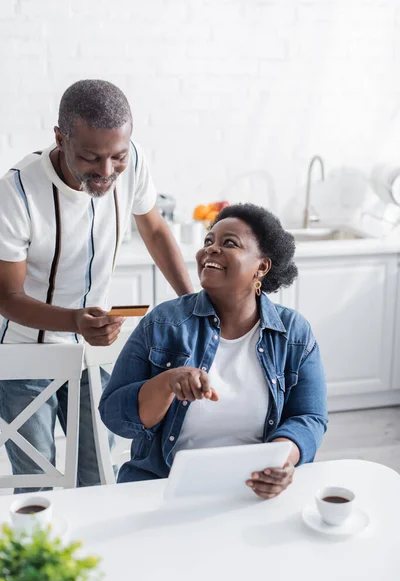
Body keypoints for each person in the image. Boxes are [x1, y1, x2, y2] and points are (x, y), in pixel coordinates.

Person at [0, 79, 193, 493]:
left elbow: (155, 229)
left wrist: (190, 299)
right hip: (24, 354)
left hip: (95, 351)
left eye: (117, 157)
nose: (107, 172)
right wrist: (73, 320)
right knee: (35, 483)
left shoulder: (133, 161)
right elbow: (7, 296)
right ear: (59, 138)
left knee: (98, 476)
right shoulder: (15, 192)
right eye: (90, 157)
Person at [100, 203, 328, 499]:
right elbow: (114, 415)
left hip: (253, 489)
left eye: (228, 243)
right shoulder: (163, 323)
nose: (211, 249)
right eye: (208, 242)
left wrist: (281, 460)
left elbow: (309, 417)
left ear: (261, 266)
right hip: (163, 486)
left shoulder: (294, 333)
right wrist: (168, 382)